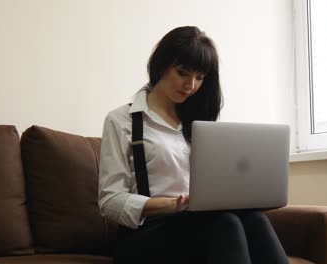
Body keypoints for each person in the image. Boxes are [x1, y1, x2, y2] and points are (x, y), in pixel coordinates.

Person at [98, 26, 288, 264]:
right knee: (226, 224)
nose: (191, 85)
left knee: (254, 219)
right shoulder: (121, 120)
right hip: (146, 235)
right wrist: (170, 205)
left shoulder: (199, 123)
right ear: (161, 65)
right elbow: (109, 200)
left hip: (200, 225)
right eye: (182, 73)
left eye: (200, 77)